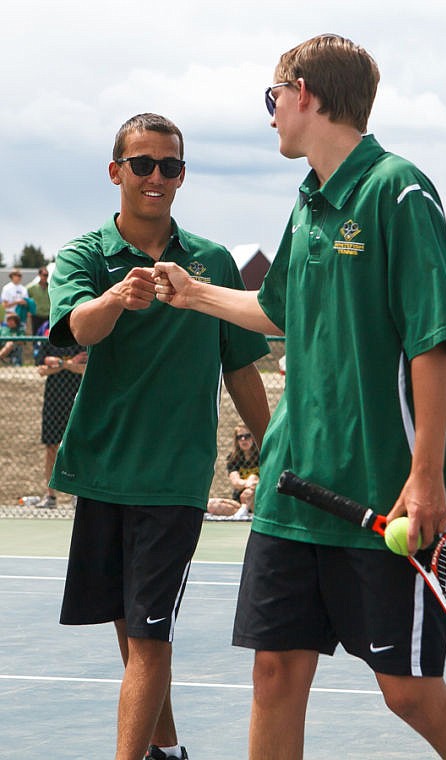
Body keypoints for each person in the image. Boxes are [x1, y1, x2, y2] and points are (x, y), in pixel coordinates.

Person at [154, 35, 446, 760]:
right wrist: (193, 295)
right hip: (294, 491)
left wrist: (426, 475)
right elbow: (280, 311)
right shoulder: (308, 203)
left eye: (272, 97)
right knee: (275, 674)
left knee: (408, 692)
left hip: (385, 496)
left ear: (303, 93)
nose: (271, 114)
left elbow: (433, 342)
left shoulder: (398, 191)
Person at [47, 112, 270, 760]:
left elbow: (241, 369)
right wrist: (117, 297)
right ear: (116, 172)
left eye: (169, 166)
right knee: (131, 629)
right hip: (101, 469)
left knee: (148, 639)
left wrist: (281, 447)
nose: (155, 177)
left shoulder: (210, 262)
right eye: (142, 164)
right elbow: (78, 330)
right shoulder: (85, 255)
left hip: (174, 481)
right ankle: (168, 750)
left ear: (182, 176)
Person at [35, 334, 87, 509]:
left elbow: (84, 369)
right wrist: (70, 364)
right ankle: (50, 496)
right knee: (51, 447)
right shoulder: (49, 341)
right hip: (52, 402)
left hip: (75, 401)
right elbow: (42, 370)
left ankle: (76, 495)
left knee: (76, 448)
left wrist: (58, 364)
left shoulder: (81, 340)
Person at [227, 425, 260, 515]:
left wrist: (253, 482)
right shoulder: (233, 459)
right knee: (212, 505)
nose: (243, 439)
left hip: (258, 500)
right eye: (239, 437)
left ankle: (244, 510)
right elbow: (236, 482)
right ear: (236, 441)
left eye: (247, 436)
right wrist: (249, 483)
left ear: (253, 437)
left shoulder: (261, 456)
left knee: (253, 477)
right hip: (239, 502)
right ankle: (244, 509)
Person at [27, 266, 51, 335]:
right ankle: (35, 346)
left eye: (47, 275)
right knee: (36, 334)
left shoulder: (51, 288)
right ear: (39, 275)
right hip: (36, 316)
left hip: (48, 316)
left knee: (47, 334)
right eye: (44, 275)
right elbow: (25, 298)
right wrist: (29, 310)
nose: (45, 277)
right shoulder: (31, 288)